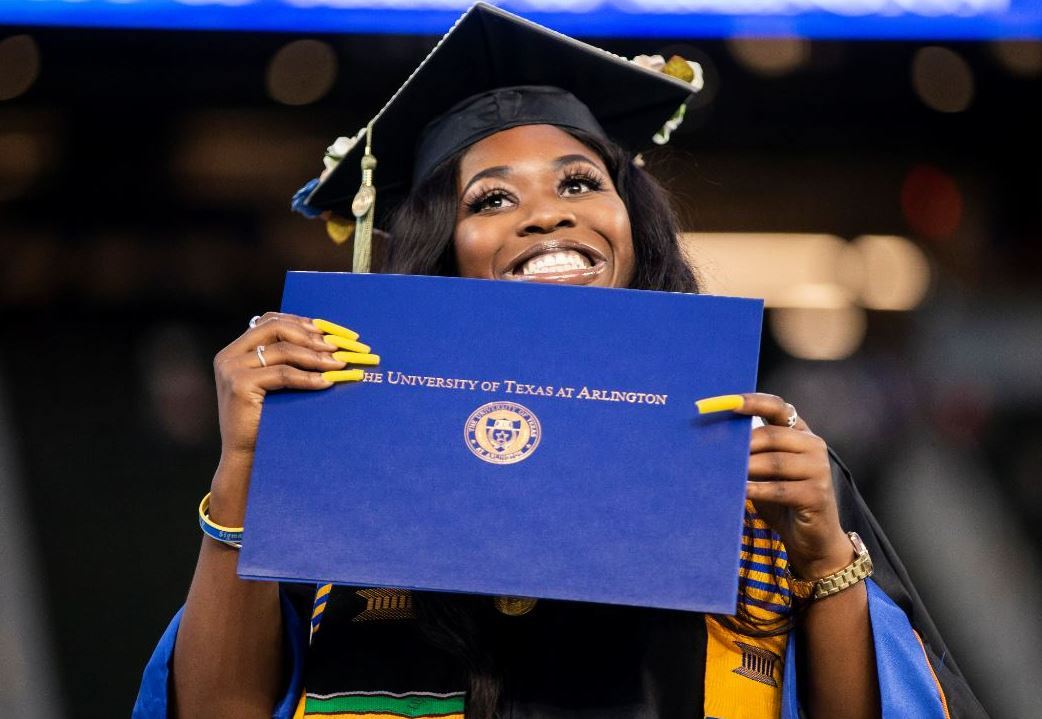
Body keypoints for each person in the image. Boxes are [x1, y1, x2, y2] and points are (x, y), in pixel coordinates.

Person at [134, 4, 987, 718]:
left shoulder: (750, 458)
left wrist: (824, 558)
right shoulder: (346, 454)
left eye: (580, 182)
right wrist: (247, 460)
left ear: (633, 222)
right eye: (492, 198)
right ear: (443, 252)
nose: (546, 216)